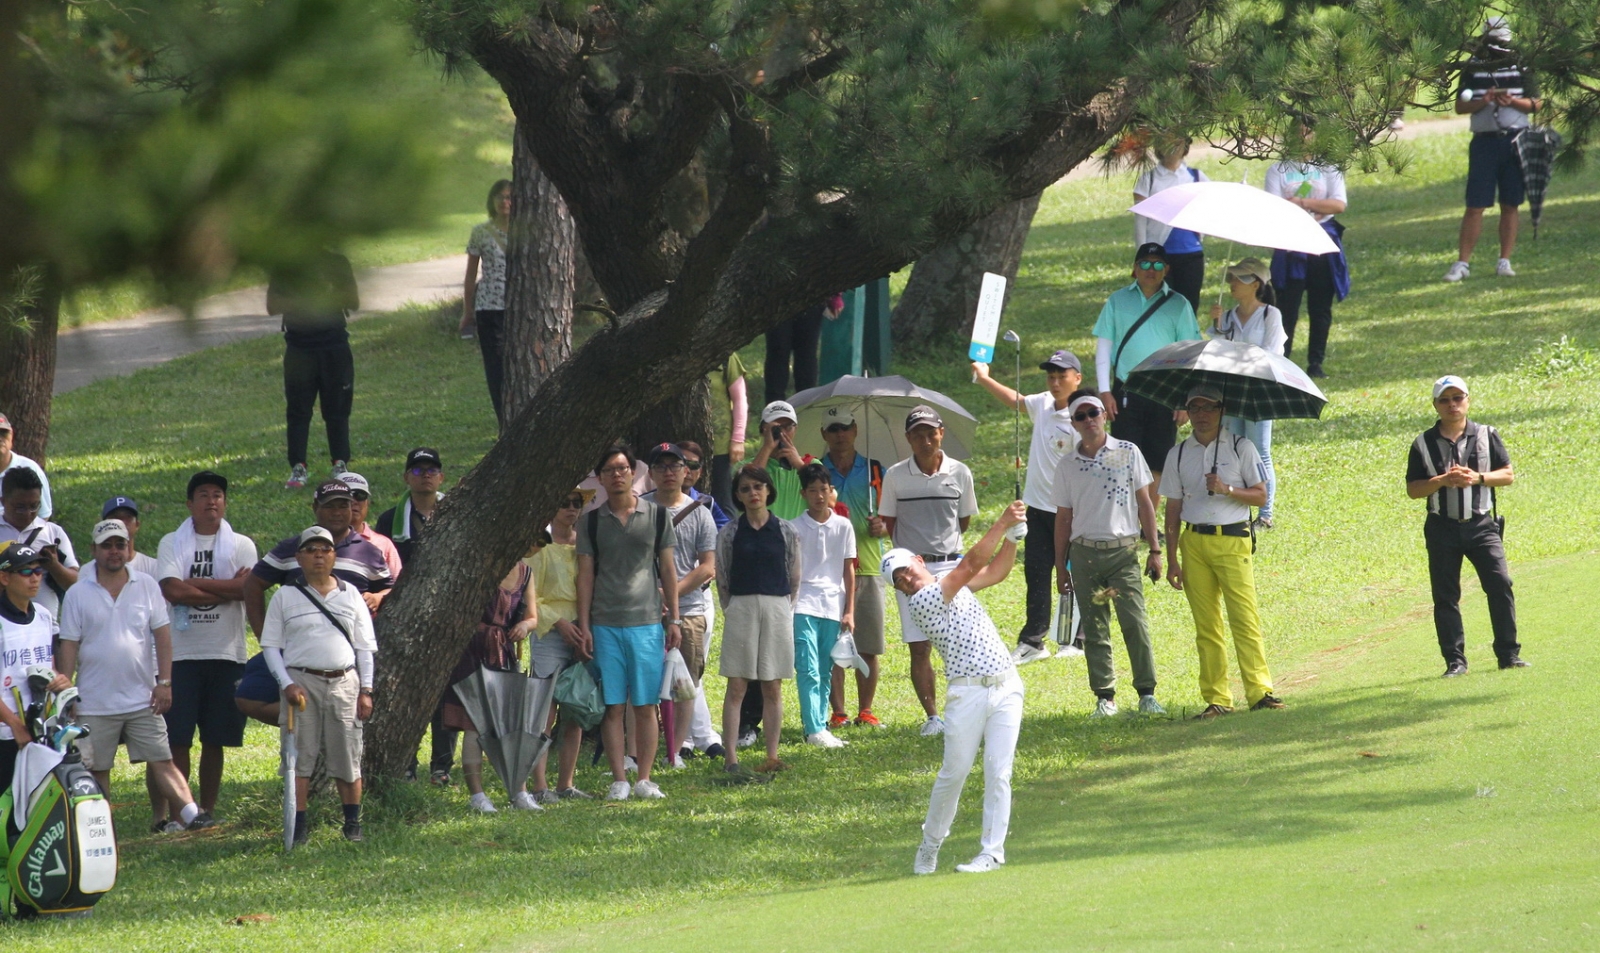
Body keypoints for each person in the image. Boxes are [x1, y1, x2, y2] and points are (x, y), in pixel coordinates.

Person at [892, 500, 1029, 876]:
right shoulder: (923, 602)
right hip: (966, 694)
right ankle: (929, 846)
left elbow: (995, 572)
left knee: (999, 772)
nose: (904, 581)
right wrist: (1003, 522)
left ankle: (992, 852)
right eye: (897, 582)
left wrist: (1014, 540)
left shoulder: (948, 586)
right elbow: (969, 564)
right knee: (954, 773)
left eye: (905, 571)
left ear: (919, 561)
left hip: (1006, 685)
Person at [55, 519, 212, 832]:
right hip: (93, 702)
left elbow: (163, 636)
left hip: (142, 697)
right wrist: (67, 692)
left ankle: (193, 814)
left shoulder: (147, 585)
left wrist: (164, 682)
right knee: (98, 769)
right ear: (93, 550)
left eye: (120, 545)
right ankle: (103, 831)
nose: (114, 551)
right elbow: (69, 644)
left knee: (162, 760)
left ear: (129, 548)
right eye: (107, 545)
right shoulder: (77, 594)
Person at [1159, 385, 1285, 718]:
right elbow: (1172, 508)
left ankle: (1260, 691)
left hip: (1232, 539)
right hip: (1194, 542)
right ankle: (1217, 698)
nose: (1201, 414)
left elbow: (1260, 496)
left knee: (1244, 618)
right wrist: (1171, 557)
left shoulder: (1241, 447)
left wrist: (1227, 489)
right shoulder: (1179, 453)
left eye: (1208, 407)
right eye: (1194, 407)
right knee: (1207, 625)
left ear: (1221, 410)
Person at [575, 445, 681, 801]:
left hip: (648, 622)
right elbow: (585, 574)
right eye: (610, 470)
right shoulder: (590, 520)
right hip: (605, 622)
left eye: (623, 468)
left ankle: (645, 778)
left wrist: (675, 618)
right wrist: (585, 623)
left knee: (645, 703)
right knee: (613, 705)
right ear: (601, 478)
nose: (617, 474)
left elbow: (668, 568)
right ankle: (620, 778)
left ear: (633, 473)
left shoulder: (657, 515)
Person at [259, 526, 377, 843]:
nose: (319, 555)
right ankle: (298, 827)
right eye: (311, 550)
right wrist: (285, 684)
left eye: (324, 549)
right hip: (300, 682)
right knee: (299, 758)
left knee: (348, 756)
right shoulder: (285, 596)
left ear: (334, 555)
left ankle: (352, 825)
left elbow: (365, 648)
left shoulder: (351, 594)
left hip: (344, 683)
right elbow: (270, 646)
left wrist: (366, 690)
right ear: (299, 557)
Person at [155, 470, 259, 826]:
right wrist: (227, 587)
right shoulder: (172, 542)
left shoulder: (242, 544)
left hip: (226, 653)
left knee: (216, 739)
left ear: (225, 503)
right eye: (203, 494)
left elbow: (247, 590)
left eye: (218, 494)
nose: (211, 500)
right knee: (178, 739)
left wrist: (195, 582)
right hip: (182, 656)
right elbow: (172, 590)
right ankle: (180, 815)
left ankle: (208, 810)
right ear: (190, 503)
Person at [1053, 392, 1165, 717]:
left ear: (1105, 415)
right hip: (1085, 554)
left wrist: (1154, 550)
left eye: (1094, 413)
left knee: (1135, 623)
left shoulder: (1127, 452)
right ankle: (1105, 697)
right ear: (1073, 424)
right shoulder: (1067, 465)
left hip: (1122, 553)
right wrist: (1061, 567)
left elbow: (1145, 502)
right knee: (1095, 628)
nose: (1089, 421)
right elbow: (1063, 518)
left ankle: (1147, 693)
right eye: (1081, 416)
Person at [1405, 375, 1525, 677]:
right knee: (1445, 595)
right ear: (1435, 405)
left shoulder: (1487, 434)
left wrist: (1477, 477)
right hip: (1441, 527)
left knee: (1500, 585)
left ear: (1467, 400)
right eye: (1445, 400)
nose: (1452, 404)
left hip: (1482, 524)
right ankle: (1455, 662)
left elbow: (1507, 475)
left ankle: (1508, 655)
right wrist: (1442, 481)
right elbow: (1413, 489)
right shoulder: (1423, 443)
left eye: (1458, 398)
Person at [972, 349, 1084, 661]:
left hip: (1070, 511)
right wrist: (984, 378)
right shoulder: (1042, 403)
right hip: (1036, 507)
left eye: (1062, 376)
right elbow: (1015, 400)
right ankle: (1034, 642)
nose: (1056, 382)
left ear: (1078, 378)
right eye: (1051, 376)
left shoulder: (1084, 416)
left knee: (1072, 572)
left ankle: (1075, 639)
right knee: (1036, 572)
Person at [880, 405, 980, 736]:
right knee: (919, 645)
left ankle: (966, 709)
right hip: (912, 571)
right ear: (908, 438)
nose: (925, 440)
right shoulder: (894, 476)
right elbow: (890, 525)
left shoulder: (960, 472)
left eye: (930, 433)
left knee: (960, 639)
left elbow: (962, 521)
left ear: (941, 433)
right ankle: (933, 717)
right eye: (918, 434)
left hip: (951, 563)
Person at [1094, 242, 1201, 494]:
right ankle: (1126, 522)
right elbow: (1104, 348)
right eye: (1144, 263)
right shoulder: (1117, 301)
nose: (1150, 269)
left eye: (1157, 264)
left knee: (1158, 462)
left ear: (1166, 269)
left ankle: (1149, 527)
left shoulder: (1180, 304)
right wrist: (1104, 391)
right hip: (1126, 390)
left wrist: (1184, 398)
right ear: (1134, 268)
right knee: (1123, 459)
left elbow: (1190, 354)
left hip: (1166, 391)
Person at [715, 465, 800, 779]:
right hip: (741, 607)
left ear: (768, 491)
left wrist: (782, 607)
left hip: (777, 607)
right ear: (738, 495)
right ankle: (731, 757)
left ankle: (772, 755)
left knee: (772, 686)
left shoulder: (786, 530)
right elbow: (722, 575)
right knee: (736, 685)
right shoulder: (730, 532)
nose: (753, 493)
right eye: (746, 488)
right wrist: (734, 608)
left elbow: (794, 575)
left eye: (758, 487)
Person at [1444, 19, 1542, 283]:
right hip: (1485, 141)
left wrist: (1513, 101)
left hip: (1516, 139)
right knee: (1475, 204)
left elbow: (1536, 103)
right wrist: (1483, 101)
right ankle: (1462, 263)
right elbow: (1460, 107)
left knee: (1511, 203)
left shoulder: (1522, 63)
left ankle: (1504, 261)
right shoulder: (1472, 67)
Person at [442, 554, 542, 812]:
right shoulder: (481, 565)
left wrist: (524, 626)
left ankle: (519, 791)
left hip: (503, 650)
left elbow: (533, 616)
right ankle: (478, 796)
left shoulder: (526, 572)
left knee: (511, 724)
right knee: (475, 724)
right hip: (472, 651)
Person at [640, 443, 718, 768]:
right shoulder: (638, 508)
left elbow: (707, 566)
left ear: (687, 471)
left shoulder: (700, 512)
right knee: (642, 682)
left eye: (675, 466)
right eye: (661, 467)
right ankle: (638, 751)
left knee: (687, 684)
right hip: (640, 611)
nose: (669, 472)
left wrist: (667, 594)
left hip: (689, 610)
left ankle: (676, 750)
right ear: (652, 473)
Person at [245, 480, 392, 637]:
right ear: (315, 508)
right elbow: (253, 584)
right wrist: (264, 636)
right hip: (296, 651)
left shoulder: (368, 552)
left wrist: (378, 597)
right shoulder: (291, 548)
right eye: (329, 506)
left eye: (343, 506)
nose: (337, 513)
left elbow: (393, 590)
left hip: (350, 651)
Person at [819, 407, 889, 728]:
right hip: (828, 568)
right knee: (832, 644)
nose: (840, 435)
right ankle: (839, 712)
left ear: (855, 429)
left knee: (869, 644)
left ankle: (866, 710)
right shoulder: (817, 472)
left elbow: (892, 514)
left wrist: (884, 526)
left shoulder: (876, 469)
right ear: (824, 434)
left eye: (845, 427)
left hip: (870, 565)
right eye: (833, 429)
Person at [266, 249, 360, 488]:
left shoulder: (337, 261)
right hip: (299, 349)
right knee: (298, 410)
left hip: (334, 346)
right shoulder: (285, 266)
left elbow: (353, 301)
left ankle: (340, 464)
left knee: (337, 408)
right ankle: (298, 467)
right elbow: (272, 305)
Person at [527, 489, 597, 802]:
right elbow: (531, 597)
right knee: (545, 709)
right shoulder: (540, 546)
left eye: (576, 503)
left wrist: (584, 626)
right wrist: (559, 623)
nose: (571, 509)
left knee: (575, 705)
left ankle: (565, 783)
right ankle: (539, 785)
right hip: (549, 632)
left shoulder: (585, 544)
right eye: (564, 502)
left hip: (582, 630)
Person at [1208, 258, 1286, 528]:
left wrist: (1238, 355)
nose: (1231, 284)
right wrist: (1217, 325)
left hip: (1258, 389)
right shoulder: (1227, 316)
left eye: (1238, 279)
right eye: (1231, 278)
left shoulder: (1270, 315)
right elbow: (1213, 351)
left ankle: (1265, 514)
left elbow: (1272, 353)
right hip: (1231, 389)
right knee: (1234, 447)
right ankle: (1240, 504)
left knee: (1259, 449)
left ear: (1255, 284)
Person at [1265, 127, 1348, 379]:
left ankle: (1315, 362)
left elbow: (1338, 204)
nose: (1303, 138)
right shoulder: (1277, 170)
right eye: (1298, 132)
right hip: (1291, 243)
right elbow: (1275, 207)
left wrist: (1302, 203)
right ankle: (1283, 358)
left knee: (1320, 306)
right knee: (1287, 306)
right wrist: (1313, 208)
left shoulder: (1329, 168)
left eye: (1309, 132)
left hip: (1322, 241)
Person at [790, 463, 856, 748]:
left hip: (833, 604)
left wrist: (849, 610)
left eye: (824, 490)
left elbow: (848, 570)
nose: (819, 496)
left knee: (826, 668)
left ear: (831, 492)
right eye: (813, 491)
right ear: (804, 493)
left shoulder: (843, 525)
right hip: (802, 604)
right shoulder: (793, 527)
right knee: (808, 667)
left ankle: (821, 723)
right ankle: (813, 728)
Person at [1132, 138, 1210, 312]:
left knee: (1188, 307)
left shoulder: (1195, 177)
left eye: (1178, 143)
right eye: (1168, 142)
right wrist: (1141, 255)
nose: (1173, 147)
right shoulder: (1149, 178)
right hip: (1160, 255)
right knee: (1161, 306)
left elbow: (1211, 203)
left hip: (1191, 253)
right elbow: (1140, 221)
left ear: (1186, 147)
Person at [0, 544, 54, 789]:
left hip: (38, 727)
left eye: (38, 570)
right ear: (4, 577)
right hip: (6, 732)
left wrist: (60, 682)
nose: (35, 578)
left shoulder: (44, 615)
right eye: (25, 572)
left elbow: (46, 668)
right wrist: (13, 724)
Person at [460, 180, 514, 424]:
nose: (505, 202)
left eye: (510, 197)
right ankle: (503, 419)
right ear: (492, 201)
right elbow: (471, 274)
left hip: (519, 307)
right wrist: (467, 310)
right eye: (500, 197)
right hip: (489, 307)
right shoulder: (481, 232)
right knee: (495, 367)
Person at [0, 467, 77, 619]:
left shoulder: (53, 533)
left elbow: (76, 584)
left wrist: (54, 565)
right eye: (20, 507)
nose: (28, 513)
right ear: (3, 501)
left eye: (34, 506)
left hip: (45, 627)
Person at [763, 297, 840, 405]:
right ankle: (775, 411)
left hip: (811, 297)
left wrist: (835, 297)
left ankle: (806, 408)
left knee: (806, 356)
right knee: (778, 351)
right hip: (777, 296)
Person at [375, 447, 445, 565]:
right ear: (406, 478)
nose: (426, 475)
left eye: (432, 470)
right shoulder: (388, 520)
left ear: (441, 478)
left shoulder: (456, 514)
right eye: (418, 470)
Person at [752, 400, 814, 520]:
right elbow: (750, 482)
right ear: (763, 430)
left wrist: (800, 466)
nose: (782, 433)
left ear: (796, 429)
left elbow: (825, 497)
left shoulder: (811, 465)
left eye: (788, 427)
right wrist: (767, 447)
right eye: (776, 429)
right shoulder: (746, 466)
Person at [708, 353, 750, 514]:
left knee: (724, 504)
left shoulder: (725, 355)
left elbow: (740, 399)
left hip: (720, 447)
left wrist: (738, 439)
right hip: (685, 447)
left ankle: (727, 539)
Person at [0, 413, 53, 519]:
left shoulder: (29, 469)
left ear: (11, 437)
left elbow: (43, 516)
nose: (0, 439)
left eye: (4, 434)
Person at [100, 496, 158, 576]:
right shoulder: (89, 570)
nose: (122, 522)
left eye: (128, 517)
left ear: (137, 525)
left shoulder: (153, 566)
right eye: (115, 517)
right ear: (103, 525)